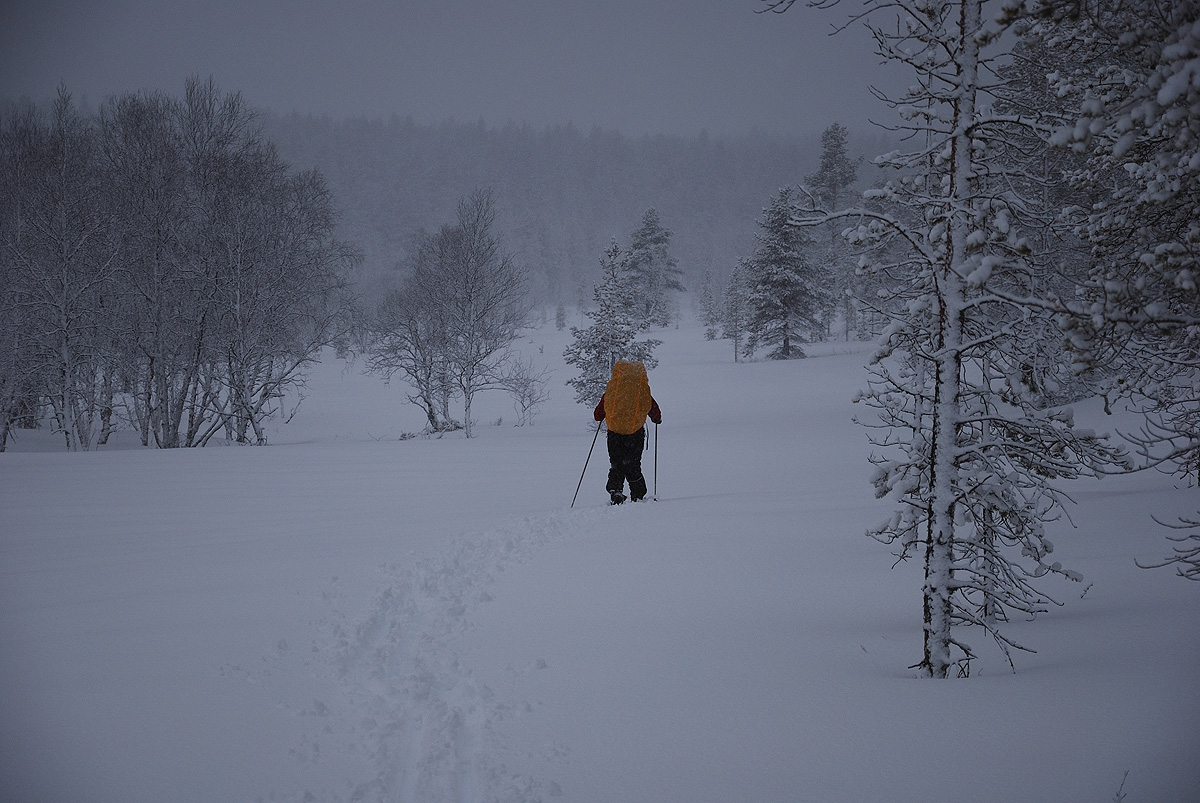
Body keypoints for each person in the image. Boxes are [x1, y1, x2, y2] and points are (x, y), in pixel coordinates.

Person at [593, 360, 662, 504]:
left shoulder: (613, 390)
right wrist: (656, 419)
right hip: (635, 435)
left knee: (616, 464)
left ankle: (616, 490)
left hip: (614, 435)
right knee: (633, 464)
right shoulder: (641, 391)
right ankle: (638, 494)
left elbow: (598, 414)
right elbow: (654, 410)